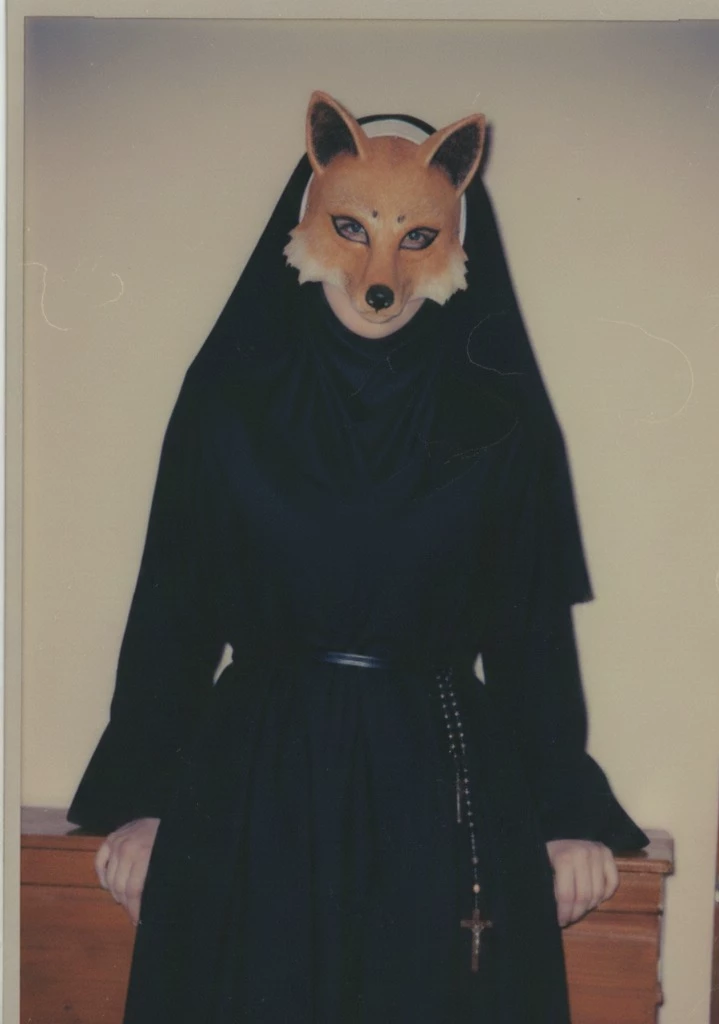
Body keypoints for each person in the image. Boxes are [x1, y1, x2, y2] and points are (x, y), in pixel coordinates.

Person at [67, 92, 648, 1024]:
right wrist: (143, 800)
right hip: (255, 783)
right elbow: (171, 612)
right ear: (306, 225)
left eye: (416, 239)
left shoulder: (497, 421)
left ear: (456, 245)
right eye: (352, 229)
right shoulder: (228, 400)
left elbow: (531, 637)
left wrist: (566, 817)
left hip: (440, 785)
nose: (382, 276)